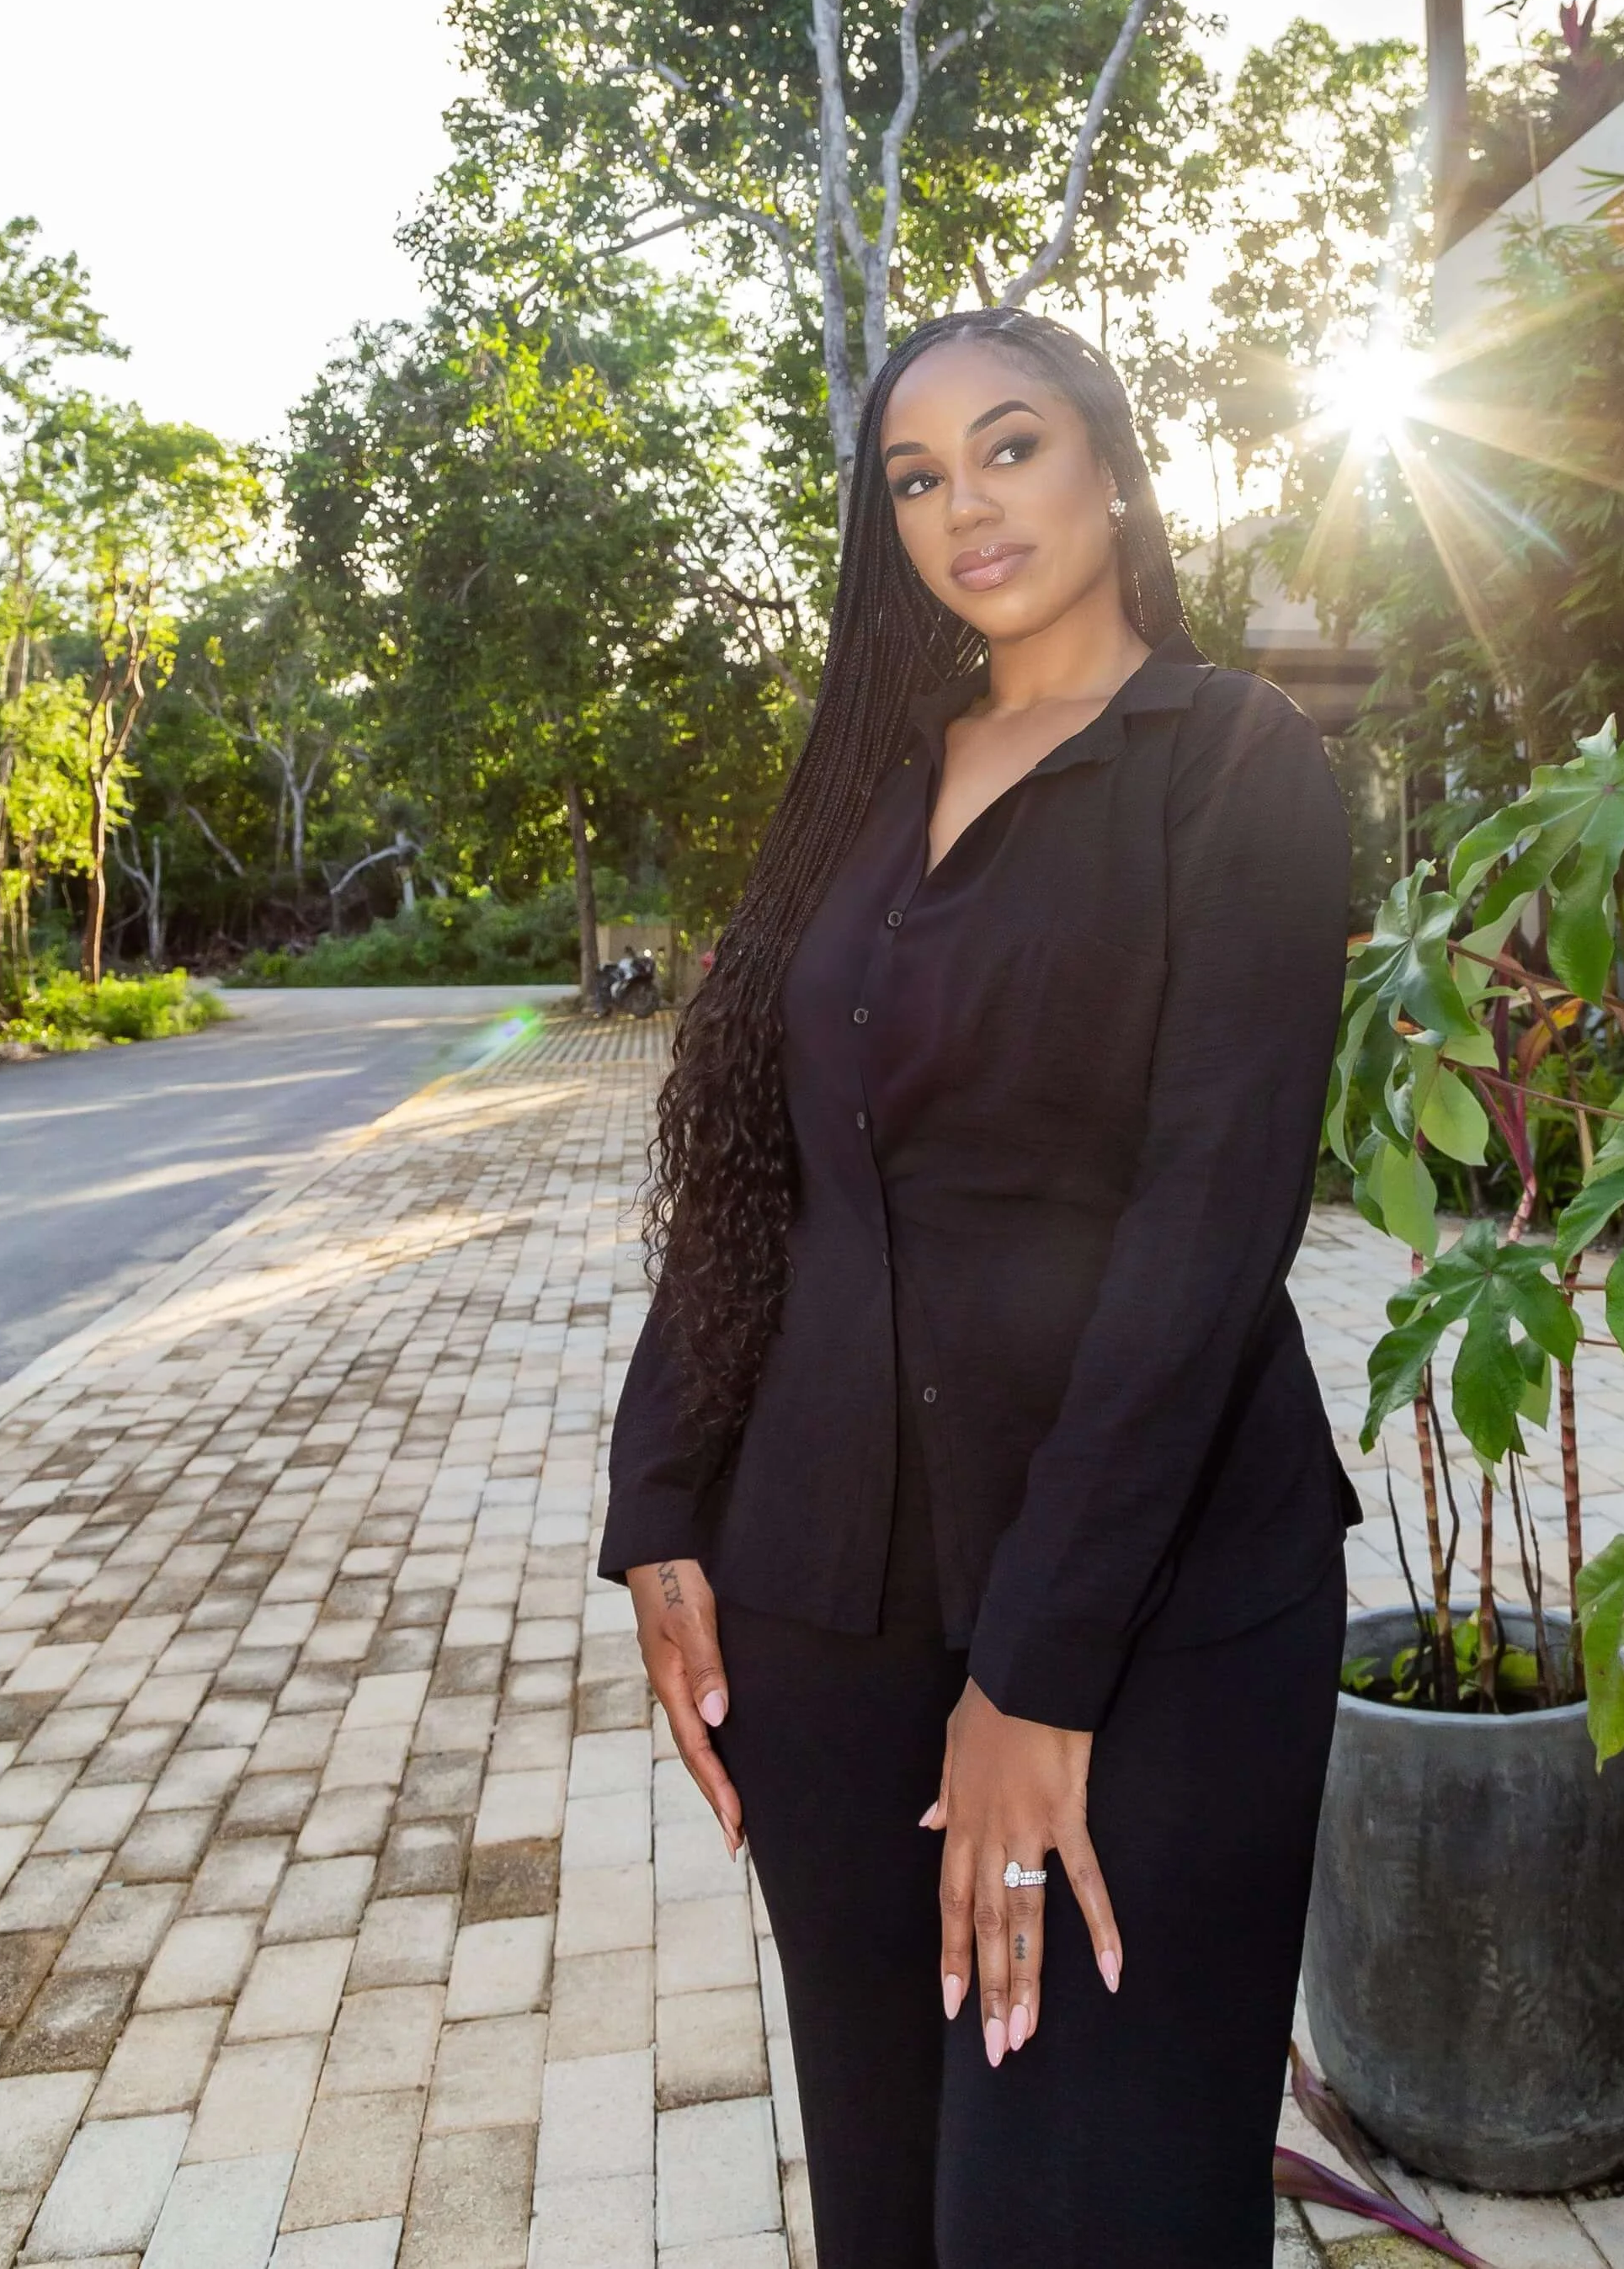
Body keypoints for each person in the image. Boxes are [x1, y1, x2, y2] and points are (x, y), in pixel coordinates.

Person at [599, 308, 1357, 2269]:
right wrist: (661, 1503)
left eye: (1008, 447)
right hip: (825, 1608)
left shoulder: (1234, 762)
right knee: (888, 2204)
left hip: (1155, 1609)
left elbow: (1208, 1224)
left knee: (1088, 2208)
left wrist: (1035, 1671)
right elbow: (756, 1155)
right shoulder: (867, 779)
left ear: (1110, 466)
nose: (966, 506)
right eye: (916, 479)